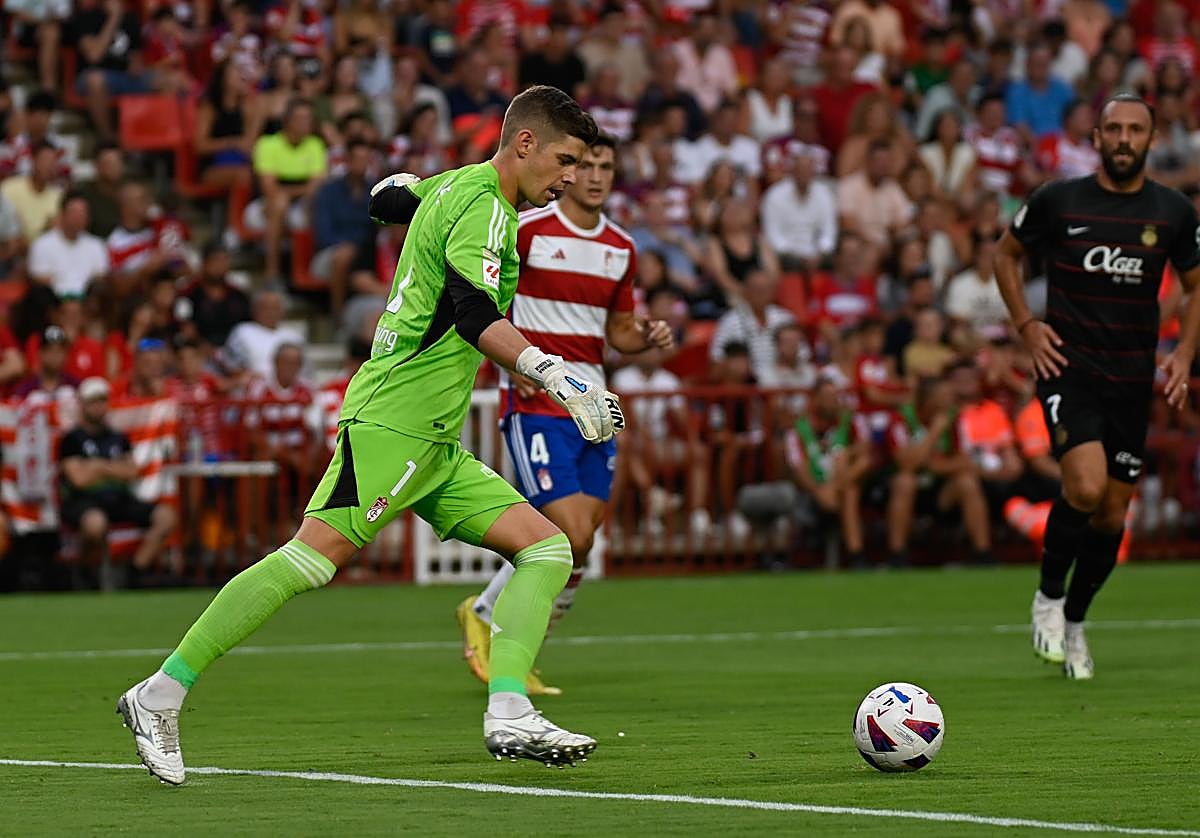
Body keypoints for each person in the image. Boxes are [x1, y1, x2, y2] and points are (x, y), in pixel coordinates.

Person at [116, 85, 620, 784]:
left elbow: (387, 202)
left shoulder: (457, 186)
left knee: (546, 548)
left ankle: (508, 710)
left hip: (435, 441)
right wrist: (554, 374)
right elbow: (474, 313)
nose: (570, 177)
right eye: (565, 159)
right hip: (393, 424)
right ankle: (159, 694)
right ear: (525, 144)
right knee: (311, 560)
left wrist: (404, 191)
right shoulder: (486, 207)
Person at [455, 133, 672, 696]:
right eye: (587, 165)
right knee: (568, 533)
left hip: (595, 410)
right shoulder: (525, 231)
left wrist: (646, 334)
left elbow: (619, 332)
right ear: (570, 172)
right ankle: (492, 624)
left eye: (607, 167)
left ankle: (505, 634)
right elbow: (488, 298)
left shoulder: (621, 248)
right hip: (537, 403)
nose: (596, 176)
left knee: (584, 541)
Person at [994, 94, 1200, 680]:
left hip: (1131, 378)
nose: (1124, 138)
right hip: (1069, 367)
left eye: (1135, 129)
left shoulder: (1173, 211)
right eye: (1113, 128)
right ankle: (1048, 598)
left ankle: (1077, 622)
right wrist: (1027, 326)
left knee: (1112, 514)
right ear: (1098, 138)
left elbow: (1195, 283)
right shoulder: (1059, 199)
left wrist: (1184, 354)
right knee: (1083, 487)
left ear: (1152, 139)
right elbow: (1005, 256)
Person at [58, 376, 176, 580]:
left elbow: (131, 471)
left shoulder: (118, 437)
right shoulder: (71, 440)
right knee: (95, 523)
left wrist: (97, 466)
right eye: (93, 401)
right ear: (83, 404)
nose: (98, 406)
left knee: (166, 516)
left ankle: (135, 573)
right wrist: (112, 467)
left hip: (119, 497)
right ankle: (87, 574)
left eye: (102, 400)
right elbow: (78, 479)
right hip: (85, 500)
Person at [785, 376, 873, 568]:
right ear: (814, 399)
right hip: (813, 492)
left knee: (849, 480)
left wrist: (846, 454)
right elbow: (799, 470)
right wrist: (818, 490)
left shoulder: (850, 421)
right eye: (826, 396)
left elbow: (867, 452)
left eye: (835, 396)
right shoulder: (798, 429)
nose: (832, 402)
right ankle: (856, 556)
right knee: (847, 491)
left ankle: (856, 555)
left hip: (842, 485)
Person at [27, 191, 110, 299]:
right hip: (54, 301)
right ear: (62, 214)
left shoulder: (96, 245)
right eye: (74, 213)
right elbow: (39, 278)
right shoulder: (42, 244)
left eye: (83, 213)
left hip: (86, 302)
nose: (78, 217)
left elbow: (100, 277)